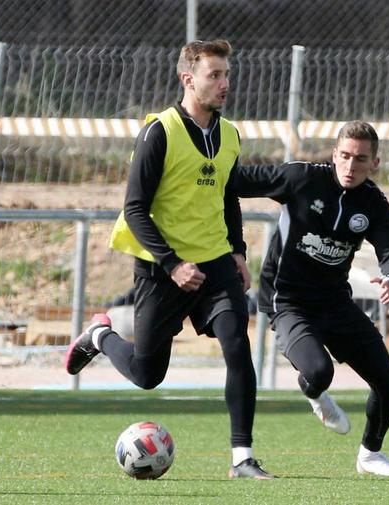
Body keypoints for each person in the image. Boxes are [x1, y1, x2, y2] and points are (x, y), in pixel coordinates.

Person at [64, 39, 275, 479]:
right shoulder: (159, 132)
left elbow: (227, 194)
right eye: (214, 75)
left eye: (226, 74)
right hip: (163, 268)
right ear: (188, 79)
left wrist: (237, 248)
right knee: (147, 374)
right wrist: (172, 263)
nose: (224, 83)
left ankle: (242, 458)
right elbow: (135, 210)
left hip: (215, 262)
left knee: (238, 347)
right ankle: (100, 336)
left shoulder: (230, 134)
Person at [230, 120, 389, 476]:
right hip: (288, 300)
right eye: (345, 156)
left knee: (388, 383)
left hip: (335, 302)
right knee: (319, 372)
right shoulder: (302, 179)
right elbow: (237, 181)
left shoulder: (373, 202)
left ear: (375, 163)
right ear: (334, 154)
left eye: (360, 159)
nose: (351, 165)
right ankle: (314, 393)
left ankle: (370, 455)